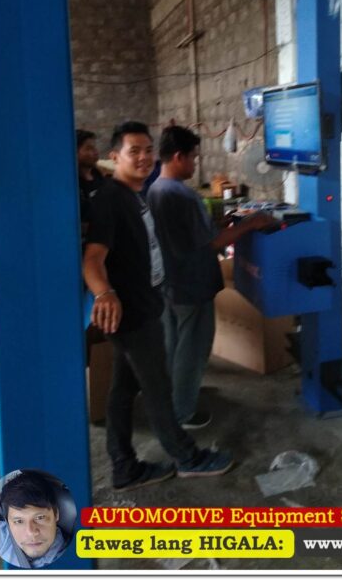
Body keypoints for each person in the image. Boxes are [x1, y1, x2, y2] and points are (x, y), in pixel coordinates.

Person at [83, 121, 233, 489]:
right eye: (133, 151)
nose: (144, 157)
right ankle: (188, 457)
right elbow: (92, 258)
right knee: (157, 389)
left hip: (145, 304)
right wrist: (104, 294)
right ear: (115, 156)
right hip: (133, 312)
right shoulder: (110, 199)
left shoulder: (136, 194)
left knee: (123, 390)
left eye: (148, 150)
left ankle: (124, 467)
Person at [147, 125, 277, 429]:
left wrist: (225, 222)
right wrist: (251, 223)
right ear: (178, 157)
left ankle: (172, 399)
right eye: (193, 157)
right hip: (191, 284)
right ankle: (183, 413)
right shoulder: (181, 195)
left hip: (168, 283)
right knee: (193, 350)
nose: (195, 164)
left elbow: (192, 234)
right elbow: (213, 244)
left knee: (174, 345)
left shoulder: (155, 189)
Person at [0, 471, 69, 569]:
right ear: (7, 522)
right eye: (19, 521)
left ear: (56, 514)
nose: (31, 532)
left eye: (40, 517)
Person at [76, 129, 104, 237]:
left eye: (95, 148)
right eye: (89, 148)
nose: (95, 152)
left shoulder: (98, 175)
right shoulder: (74, 185)